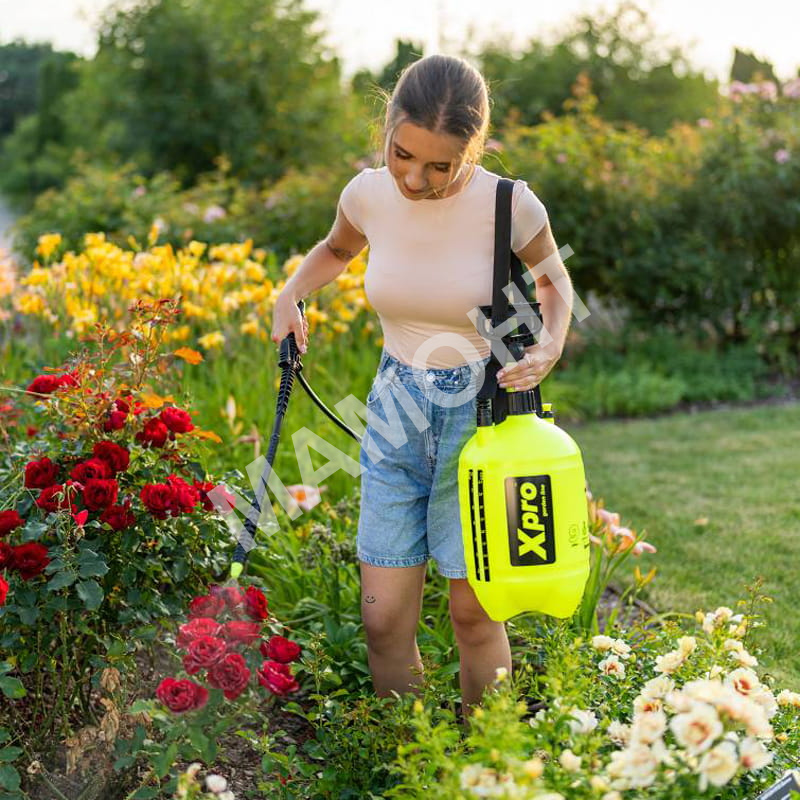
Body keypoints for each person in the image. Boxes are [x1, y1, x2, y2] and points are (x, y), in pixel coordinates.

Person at [271, 54, 575, 713]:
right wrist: (289, 294)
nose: (415, 178)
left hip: (482, 422)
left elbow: (554, 282)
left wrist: (549, 343)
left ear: (475, 146)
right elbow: (337, 249)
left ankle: (487, 756)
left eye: (441, 166)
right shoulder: (366, 194)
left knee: (475, 615)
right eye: (402, 154)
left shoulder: (510, 204)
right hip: (394, 411)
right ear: (387, 126)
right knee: (382, 621)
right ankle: (409, 758)